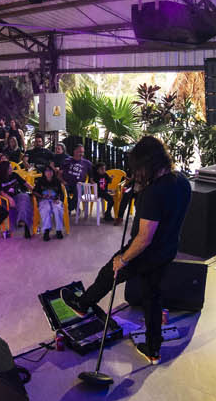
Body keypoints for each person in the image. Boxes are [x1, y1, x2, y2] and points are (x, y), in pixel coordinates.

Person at [70, 136, 192, 364]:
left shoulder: (153, 193)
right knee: (152, 297)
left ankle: (83, 304)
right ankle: (153, 350)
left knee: (109, 272)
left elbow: (144, 238)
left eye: (139, 168)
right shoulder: (182, 182)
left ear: (148, 164)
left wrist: (124, 259)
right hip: (168, 249)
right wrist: (140, 188)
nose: (136, 172)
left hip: (144, 252)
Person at [0, 159, 33, 239]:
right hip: (6, 199)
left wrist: (35, 190)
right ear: (4, 170)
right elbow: (1, 192)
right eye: (9, 168)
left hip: (17, 195)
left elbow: (25, 183)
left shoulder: (14, 175)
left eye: (11, 167)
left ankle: (23, 223)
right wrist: (10, 199)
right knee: (20, 204)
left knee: (25, 198)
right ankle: (23, 223)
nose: (11, 169)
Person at [33, 165, 66, 241]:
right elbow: (34, 192)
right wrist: (42, 196)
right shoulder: (40, 181)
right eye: (47, 171)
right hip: (44, 200)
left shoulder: (57, 181)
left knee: (57, 208)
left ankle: (58, 230)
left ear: (53, 172)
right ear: (44, 173)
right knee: (46, 209)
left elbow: (61, 193)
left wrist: (57, 199)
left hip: (55, 199)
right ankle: (46, 230)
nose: (49, 173)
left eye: (50, 171)